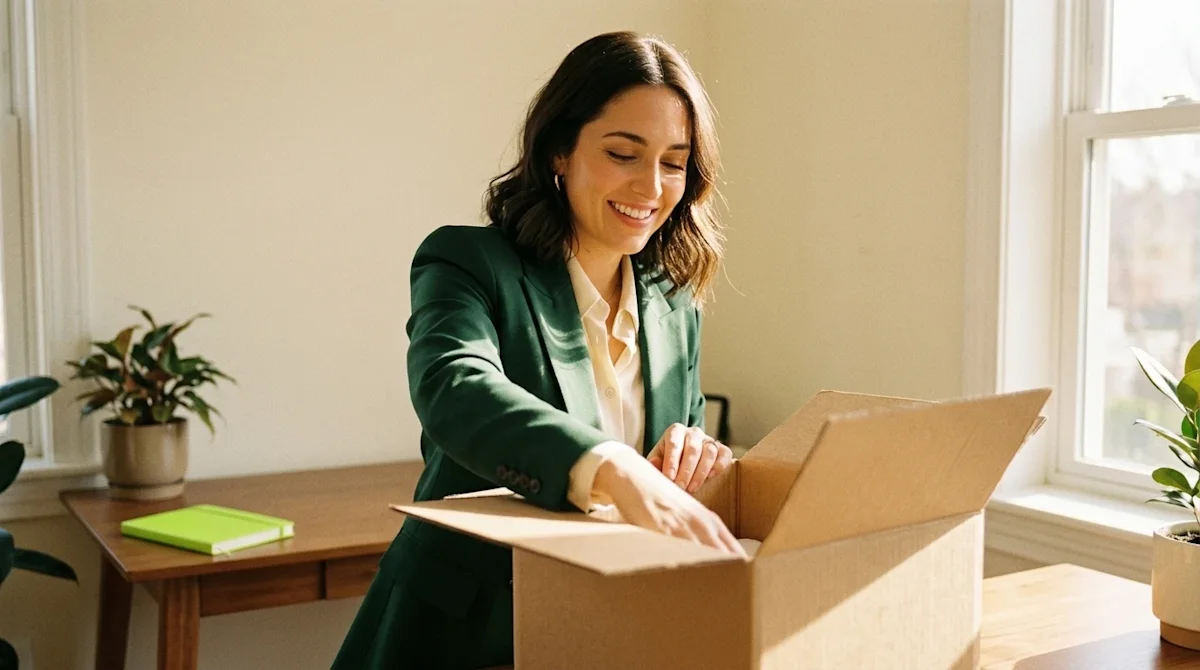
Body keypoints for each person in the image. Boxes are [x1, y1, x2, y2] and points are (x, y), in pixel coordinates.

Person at [332, 30, 744, 670]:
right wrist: (608, 462)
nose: (650, 186)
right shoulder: (467, 262)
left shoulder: (674, 302)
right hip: (460, 631)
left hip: (612, 631)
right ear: (559, 150)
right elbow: (455, 386)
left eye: (673, 161)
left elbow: (669, 465)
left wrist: (693, 456)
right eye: (622, 153)